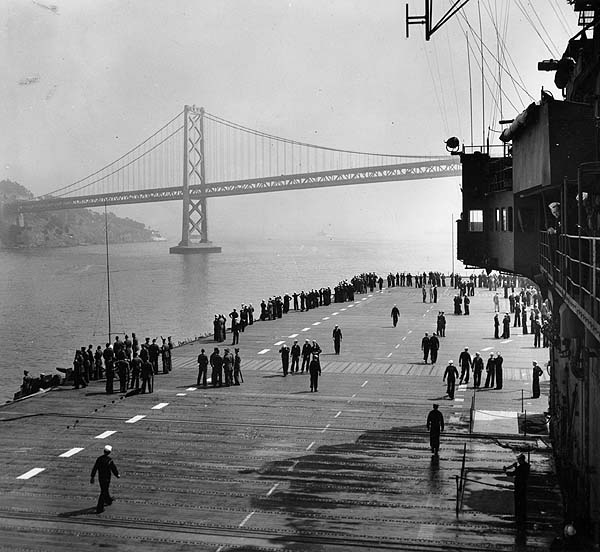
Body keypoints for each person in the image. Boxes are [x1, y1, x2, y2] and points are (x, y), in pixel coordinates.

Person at [90, 444, 120, 514]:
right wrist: (117, 475)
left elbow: (95, 468)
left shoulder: (99, 459)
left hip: (100, 477)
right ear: (109, 452)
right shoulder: (109, 460)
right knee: (103, 491)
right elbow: (113, 468)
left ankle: (108, 500)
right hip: (107, 478)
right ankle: (99, 508)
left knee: (104, 489)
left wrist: (92, 477)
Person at [503, 453, 530, 529]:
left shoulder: (522, 468)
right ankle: (521, 516)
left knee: (519, 501)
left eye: (518, 460)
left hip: (520, 486)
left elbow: (514, 473)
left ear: (521, 460)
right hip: (522, 486)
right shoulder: (525, 466)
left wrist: (508, 470)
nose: (518, 461)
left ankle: (519, 517)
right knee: (521, 501)